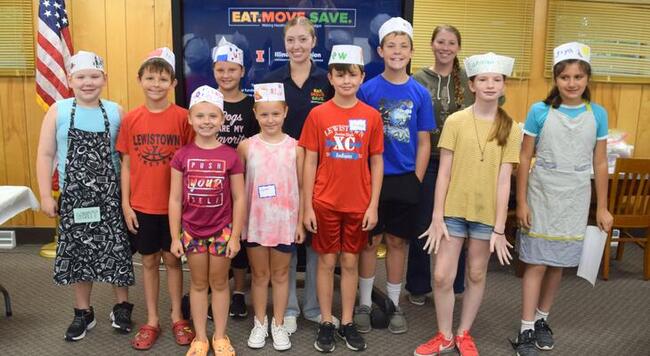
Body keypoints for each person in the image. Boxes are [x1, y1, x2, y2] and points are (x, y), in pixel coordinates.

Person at [415, 52, 521, 356]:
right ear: (472, 84)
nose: (490, 85)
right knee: (442, 275)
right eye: (483, 80)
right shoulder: (456, 121)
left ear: (503, 86)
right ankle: (444, 335)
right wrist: (437, 216)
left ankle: (463, 333)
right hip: (452, 212)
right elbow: (444, 172)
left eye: (496, 80)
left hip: (487, 216)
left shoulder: (510, 128)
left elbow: (505, 181)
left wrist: (500, 228)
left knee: (476, 274)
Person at [512, 42, 613, 356]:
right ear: (556, 79)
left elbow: (600, 162)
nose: (572, 83)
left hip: (575, 197)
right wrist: (522, 202)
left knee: (557, 265)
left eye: (578, 77)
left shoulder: (597, 114)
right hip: (541, 195)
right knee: (537, 263)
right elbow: (525, 157)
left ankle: (543, 319)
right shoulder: (539, 111)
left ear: (587, 79)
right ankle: (526, 327)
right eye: (565, 77)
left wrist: (604, 207)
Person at [36, 51, 135, 341]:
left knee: (117, 253)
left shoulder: (116, 111)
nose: (87, 83)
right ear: (70, 79)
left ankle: (122, 306)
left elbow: (128, 159)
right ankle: (83, 312)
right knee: (79, 255)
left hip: (110, 197)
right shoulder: (58, 111)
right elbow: (45, 154)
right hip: (75, 198)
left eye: (94, 76)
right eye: (81, 77)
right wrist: (45, 194)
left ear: (104, 79)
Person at [300, 44, 384, 352]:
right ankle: (326, 321)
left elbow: (376, 161)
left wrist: (373, 205)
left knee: (350, 261)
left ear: (362, 77)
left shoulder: (372, 117)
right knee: (326, 261)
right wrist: (307, 204)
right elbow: (310, 160)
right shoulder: (318, 114)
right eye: (340, 74)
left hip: (359, 204)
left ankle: (347, 321)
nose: (346, 80)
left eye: (352, 74)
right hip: (324, 202)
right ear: (331, 78)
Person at [355, 17, 435, 334]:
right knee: (369, 242)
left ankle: (393, 303)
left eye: (403, 46)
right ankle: (363, 302)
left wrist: (415, 179)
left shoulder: (420, 93)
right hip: (371, 178)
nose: (397, 51)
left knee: (398, 242)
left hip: (404, 178)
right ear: (380, 50)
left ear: (412, 51)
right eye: (391, 46)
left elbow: (425, 141)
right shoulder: (367, 90)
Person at [116, 48, 194, 350]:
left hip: (174, 207)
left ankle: (177, 317)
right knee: (148, 261)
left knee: (173, 261)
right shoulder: (132, 119)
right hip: (143, 205)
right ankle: (152, 319)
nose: (156, 84)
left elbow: (191, 164)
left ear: (173, 83)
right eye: (150, 78)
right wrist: (126, 203)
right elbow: (126, 164)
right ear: (140, 80)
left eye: (163, 79)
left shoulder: (184, 118)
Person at [263, 15, 335, 333]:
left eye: (303, 39)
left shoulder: (327, 81)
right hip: (282, 173)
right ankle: (289, 307)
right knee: (287, 243)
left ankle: (314, 306)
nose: (297, 46)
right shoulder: (272, 79)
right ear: (284, 43)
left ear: (314, 42)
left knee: (316, 241)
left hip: (321, 174)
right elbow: (263, 125)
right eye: (291, 40)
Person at [169, 86, 245, 356]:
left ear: (222, 119)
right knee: (199, 284)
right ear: (190, 119)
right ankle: (200, 337)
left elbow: (239, 198)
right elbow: (175, 199)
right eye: (200, 116)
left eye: (212, 116)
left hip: (222, 231)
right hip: (192, 232)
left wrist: (235, 235)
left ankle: (220, 336)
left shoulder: (230, 156)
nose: (206, 122)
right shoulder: (182, 156)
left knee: (221, 283)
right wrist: (175, 236)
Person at [409, 24, 474, 304]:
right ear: (432, 44)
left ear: (458, 47)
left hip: (461, 163)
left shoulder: (470, 79)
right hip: (427, 160)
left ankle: (455, 284)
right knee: (423, 223)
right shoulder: (418, 78)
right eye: (440, 42)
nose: (445, 48)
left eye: (451, 43)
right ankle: (419, 286)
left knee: (456, 226)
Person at [238, 83, 304, 351]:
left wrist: (299, 222)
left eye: (275, 114)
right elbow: (239, 188)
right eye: (264, 114)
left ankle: (278, 323)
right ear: (255, 114)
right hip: (255, 223)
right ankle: (260, 322)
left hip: (284, 223)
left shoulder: (296, 148)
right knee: (259, 275)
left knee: (280, 275)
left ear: (285, 112)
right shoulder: (246, 147)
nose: (270, 120)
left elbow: (301, 187)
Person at [212, 37, 258, 319]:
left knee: (237, 236)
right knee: (210, 235)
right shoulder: (207, 101)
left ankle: (239, 291)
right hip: (210, 184)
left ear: (242, 71)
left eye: (232, 69)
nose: (226, 75)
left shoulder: (251, 105)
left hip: (242, 182)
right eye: (220, 70)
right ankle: (211, 287)